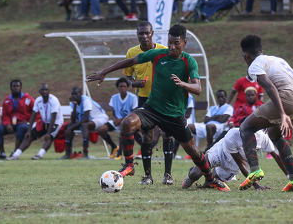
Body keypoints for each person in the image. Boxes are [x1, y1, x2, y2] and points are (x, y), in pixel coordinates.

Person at [87, 24, 230, 191]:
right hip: (152, 109)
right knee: (127, 123)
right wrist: (104, 72)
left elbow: (198, 89)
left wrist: (183, 83)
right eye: (170, 43)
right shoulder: (158, 55)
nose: (172, 47)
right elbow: (131, 61)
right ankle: (129, 165)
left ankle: (211, 178)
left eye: (176, 43)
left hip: (175, 115)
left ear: (184, 42)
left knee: (193, 151)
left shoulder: (188, 61)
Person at [238, 35, 293, 191]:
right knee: (275, 134)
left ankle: (255, 170)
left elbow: (270, 87)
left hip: (289, 99)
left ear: (246, 55)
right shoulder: (278, 60)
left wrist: (282, 113)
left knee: (245, 127)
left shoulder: (254, 65)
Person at [122, 21, 176, 185]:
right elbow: (127, 75)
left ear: (152, 33)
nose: (144, 36)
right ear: (137, 35)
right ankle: (148, 176)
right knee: (147, 137)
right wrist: (133, 83)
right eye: (141, 33)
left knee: (168, 134)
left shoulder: (162, 50)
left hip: (164, 98)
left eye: (147, 33)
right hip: (145, 100)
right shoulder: (132, 52)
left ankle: (168, 175)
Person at [182, 128, 288, 189]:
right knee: (195, 174)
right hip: (220, 153)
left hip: (232, 166)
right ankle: (192, 173)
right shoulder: (232, 135)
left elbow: (277, 158)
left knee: (210, 184)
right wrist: (256, 185)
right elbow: (241, 164)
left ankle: (207, 179)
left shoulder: (262, 138)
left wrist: (292, 179)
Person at [7, 84, 64, 160]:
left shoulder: (54, 100)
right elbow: (33, 115)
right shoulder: (38, 100)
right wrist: (29, 130)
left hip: (56, 123)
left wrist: (48, 132)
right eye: (43, 90)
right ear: (39, 92)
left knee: (49, 137)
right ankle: (15, 155)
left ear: (49, 91)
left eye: (46, 90)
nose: (44, 92)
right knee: (28, 136)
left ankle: (39, 155)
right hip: (44, 122)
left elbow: (53, 117)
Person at [60, 87, 113, 159]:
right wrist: (75, 106)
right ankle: (67, 154)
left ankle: (85, 153)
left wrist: (72, 127)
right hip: (87, 121)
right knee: (68, 128)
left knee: (84, 125)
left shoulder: (85, 100)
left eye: (76, 94)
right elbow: (73, 120)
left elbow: (85, 118)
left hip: (99, 118)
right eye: (72, 94)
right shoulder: (72, 102)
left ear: (81, 94)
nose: (74, 96)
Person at [0, 80, 35, 160]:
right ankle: (2, 153)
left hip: (22, 123)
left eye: (17, 86)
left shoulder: (28, 99)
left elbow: (35, 111)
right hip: (10, 123)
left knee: (22, 128)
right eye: (14, 86)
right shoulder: (7, 100)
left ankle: (15, 153)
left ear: (21, 87)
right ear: (11, 88)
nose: (16, 88)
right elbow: (5, 115)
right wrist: (7, 124)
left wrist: (28, 121)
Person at [104, 77, 138, 159]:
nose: (122, 88)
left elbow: (134, 113)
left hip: (129, 122)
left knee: (123, 131)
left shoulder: (133, 97)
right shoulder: (114, 97)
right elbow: (113, 111)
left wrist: (122, 120)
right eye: (120, 86)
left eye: (124, 86)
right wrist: (115, 119)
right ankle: (114, 146)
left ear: (127, 87)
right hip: (117, 121)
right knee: (101, 129)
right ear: (117, 88)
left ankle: (119, 154)